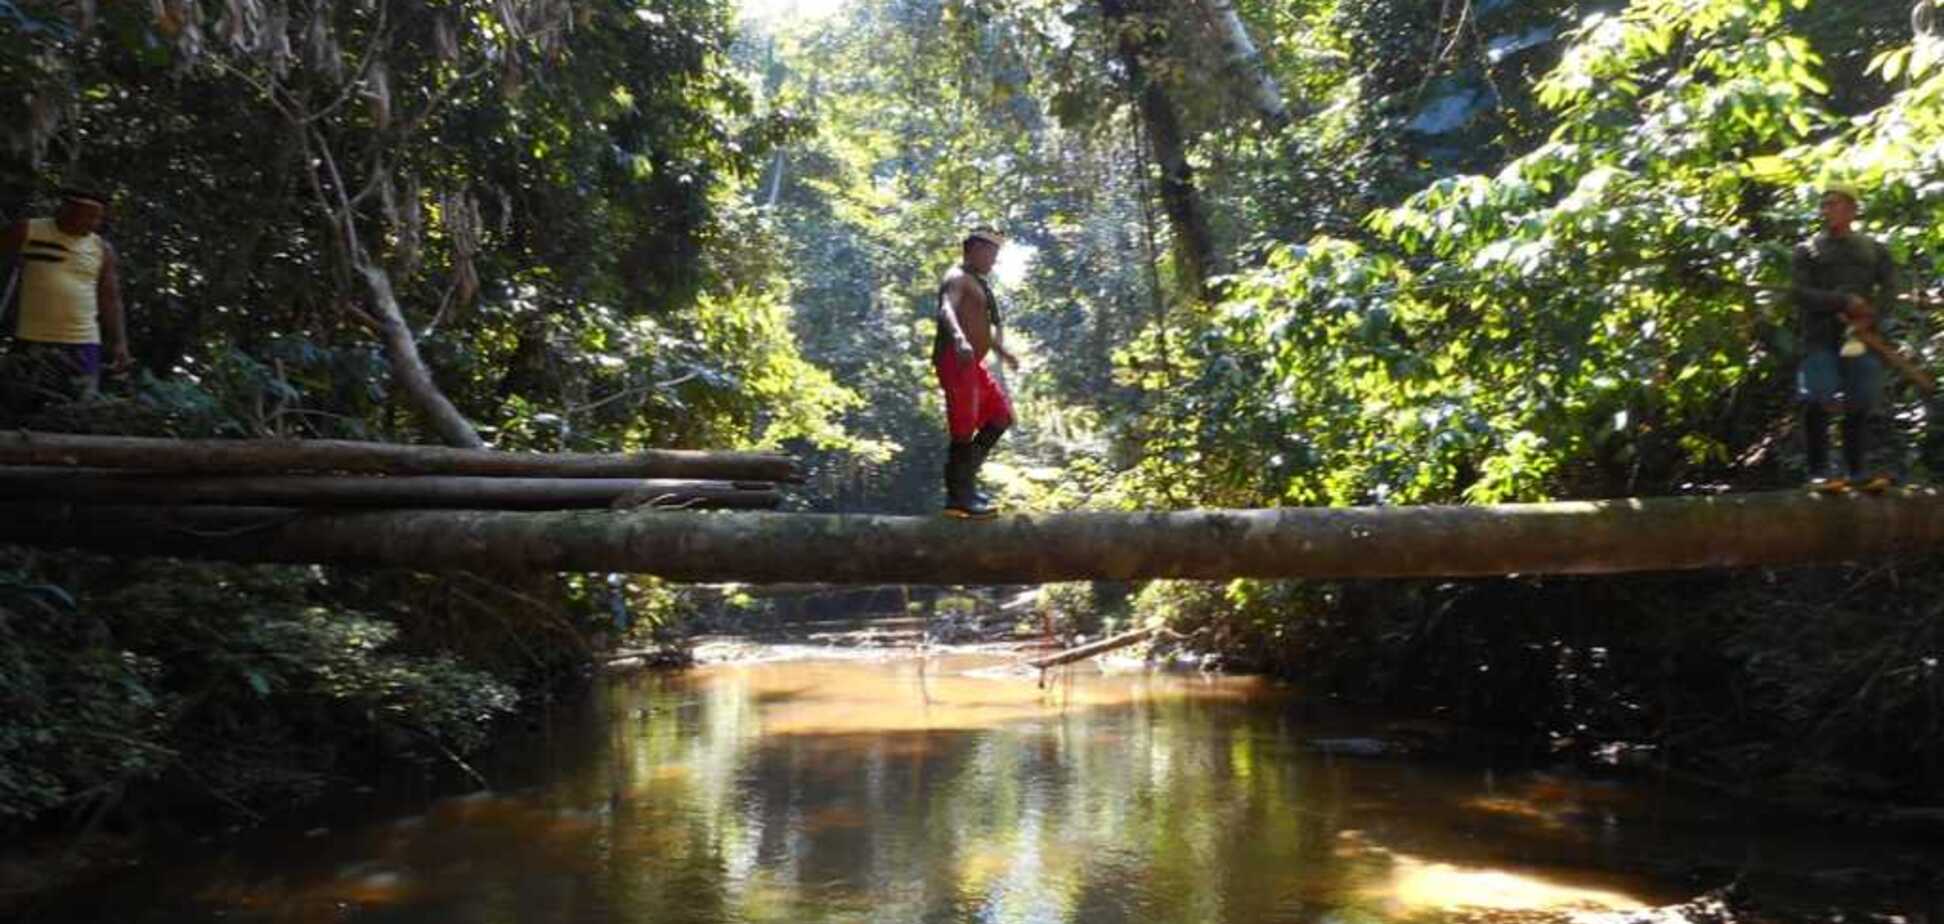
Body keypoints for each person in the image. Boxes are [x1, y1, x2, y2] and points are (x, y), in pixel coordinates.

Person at [1791, 182, 1899, 492]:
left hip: (1862, 337)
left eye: (1835, 204)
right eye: (1824, 205)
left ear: (1852, 209)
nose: (1828, 210)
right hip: (1820, 336)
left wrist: (1871, 315)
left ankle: (1856, 472)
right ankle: (1818, 472)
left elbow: (1890, 288)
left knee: (1861, 400)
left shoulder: (1874, 249)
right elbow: (1800, 293)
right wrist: (1842, 302)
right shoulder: (1807, 250)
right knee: (1817, 396)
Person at [0, 186, 129, 406]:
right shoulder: (28, 230)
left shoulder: (101, 249)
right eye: (87, 216)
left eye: (97, 218)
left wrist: (119, 343)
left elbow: (110, 298)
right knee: (19, 405)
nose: (93, 223)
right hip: (32, 339)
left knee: (75, 410)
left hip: (82, 343)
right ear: (66, 210)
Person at [934, 227, 1019, 518]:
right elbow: (946, 309)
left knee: (1001, 417)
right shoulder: (956, 277)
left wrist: (1002, 352)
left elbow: (980, 326)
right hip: (957, 361)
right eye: (990, 254)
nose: (993, 261)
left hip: (974, 365)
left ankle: (965, 485)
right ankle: (958, 497)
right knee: (963, 428)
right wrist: (958, 340)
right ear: (974, 249)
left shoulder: (976, 282)